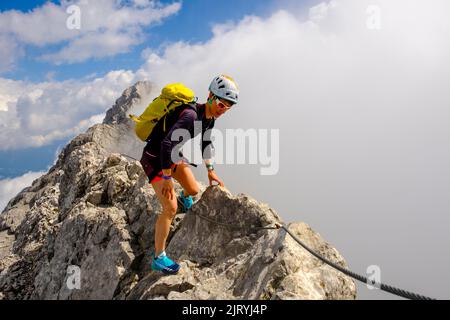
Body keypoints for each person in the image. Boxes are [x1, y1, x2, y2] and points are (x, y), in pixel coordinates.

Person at [139, 75, 239, 275]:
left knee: (192, 190)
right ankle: (159, 258)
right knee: (170, 207)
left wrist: (211, 171)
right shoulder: (191, 116)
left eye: (228, 106)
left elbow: (206, 143)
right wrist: (167, 178)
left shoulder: (209, 118)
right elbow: (166, 143)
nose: (223, 109)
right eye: (221, 103)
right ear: (211, 96)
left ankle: (184, 200)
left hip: (172, 156)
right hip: (154, 158)